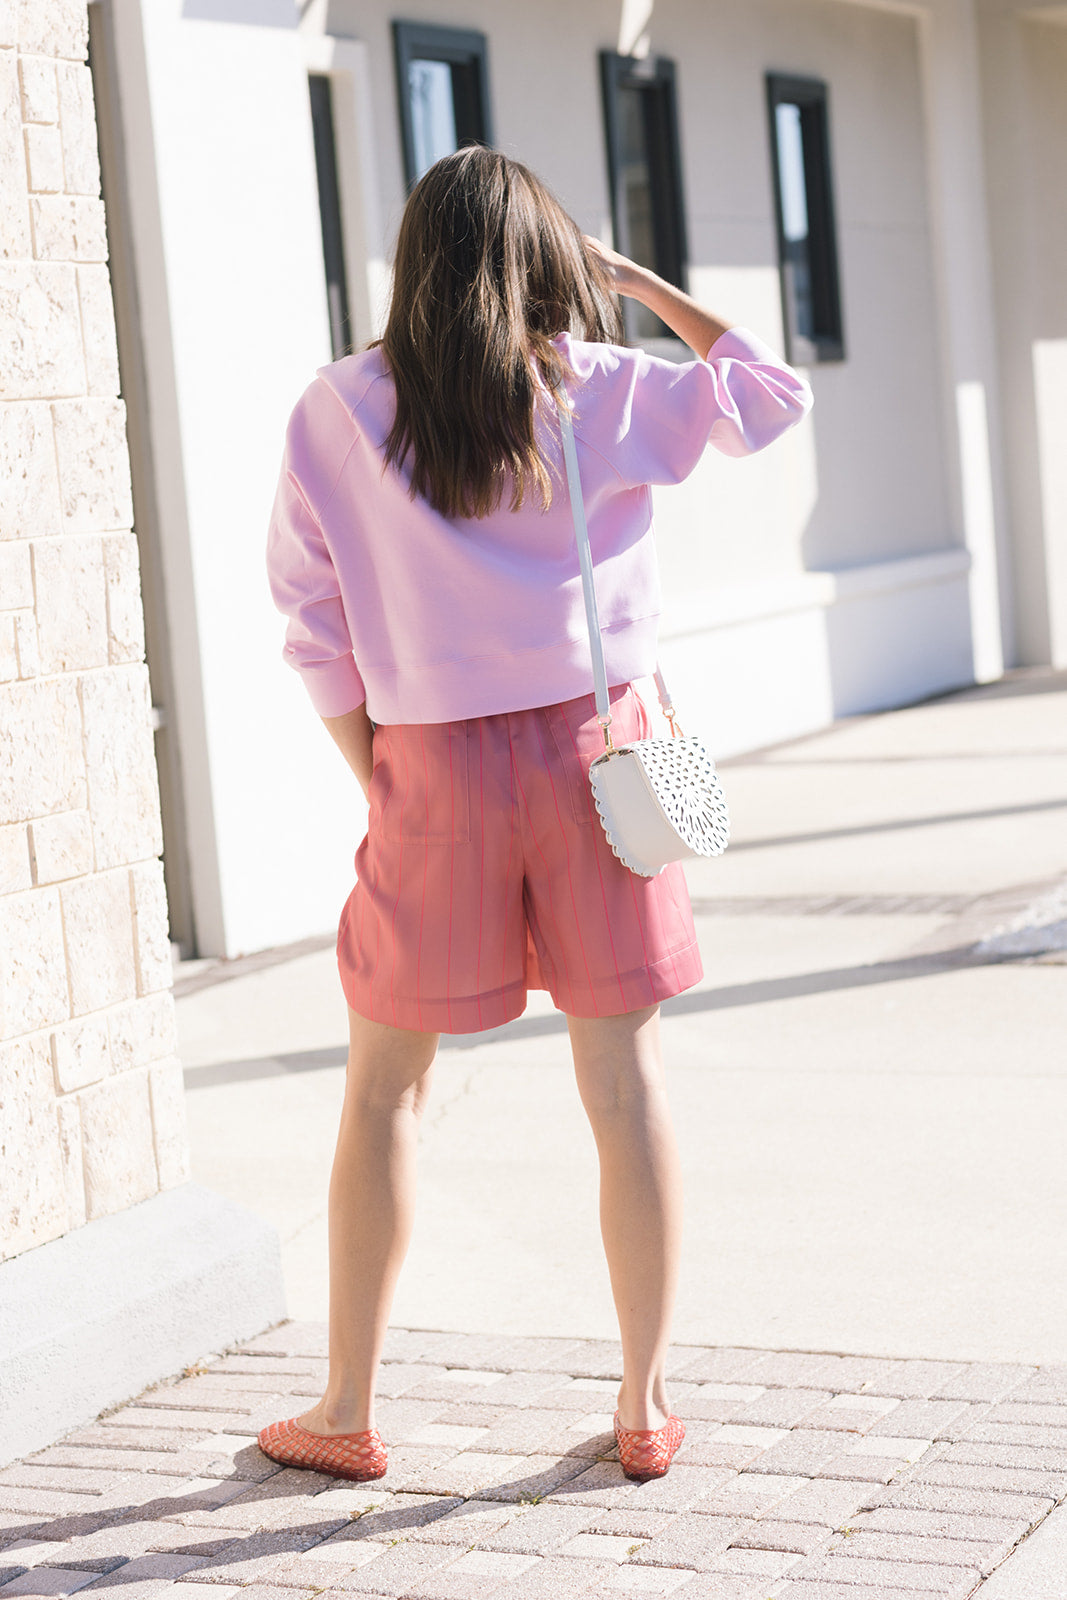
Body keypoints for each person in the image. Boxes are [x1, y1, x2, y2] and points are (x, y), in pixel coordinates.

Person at [260, 146, 812, 1485]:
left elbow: (311, 620)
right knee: (624, 1081)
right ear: (549, 263)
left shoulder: (337, 409)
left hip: (431, 765)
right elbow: (770, 399)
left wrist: (384, 769)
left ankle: (346, 1407)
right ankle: (643, 1404)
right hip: (597, 758)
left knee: (385, 1089)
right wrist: (642, 286)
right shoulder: (598, 386)